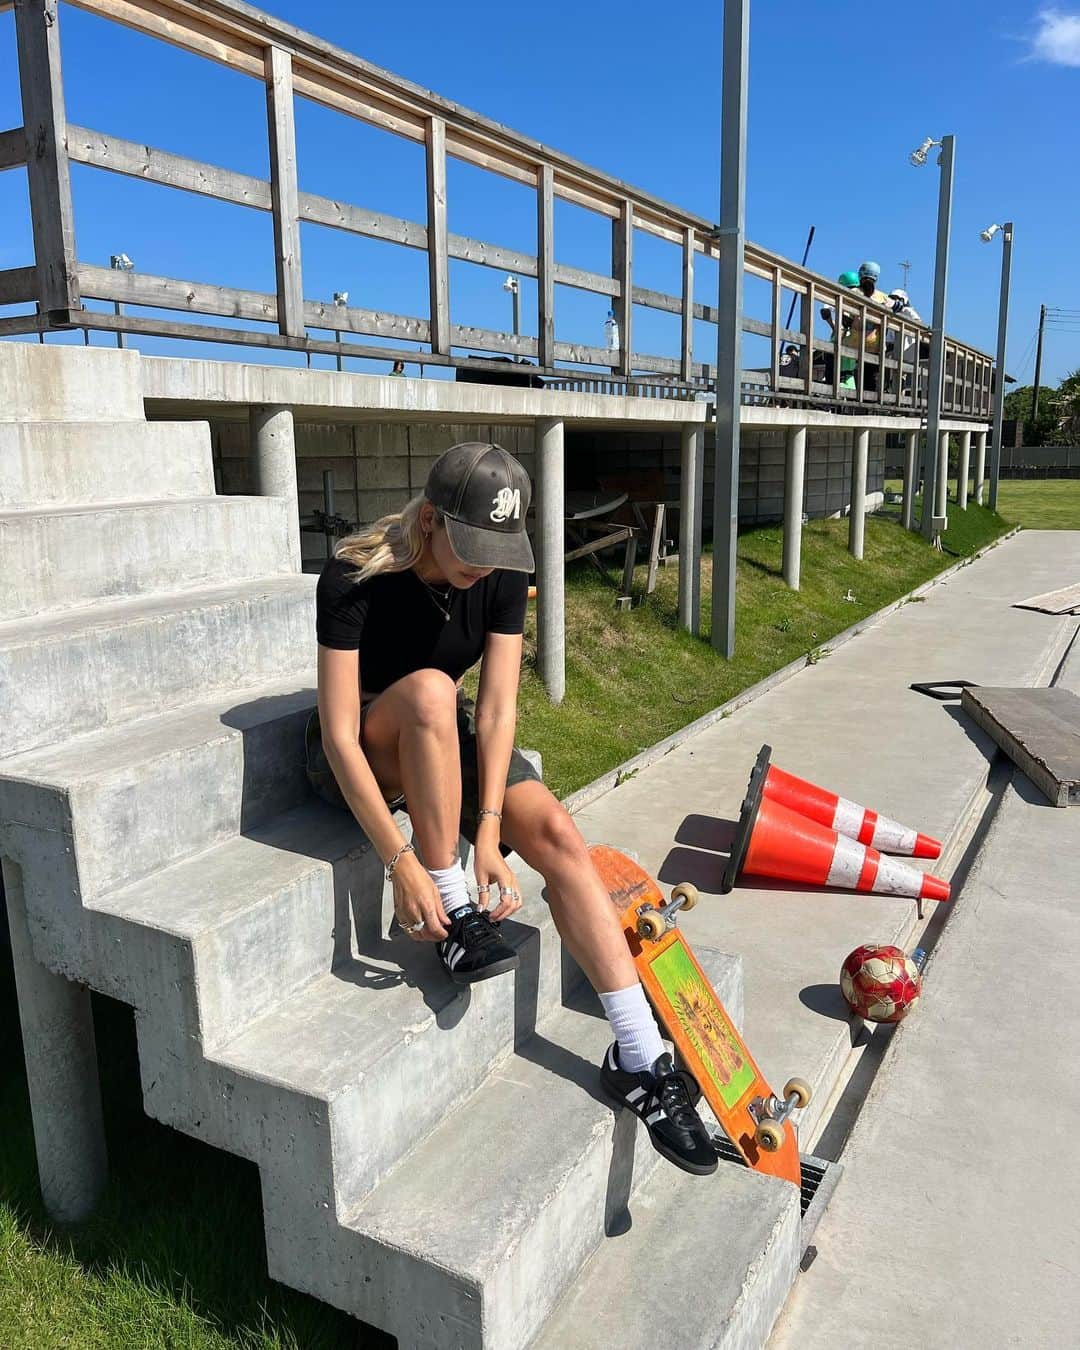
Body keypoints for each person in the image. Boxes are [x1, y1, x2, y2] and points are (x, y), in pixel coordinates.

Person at [307, 441, 716, 1176]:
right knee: (432, 689)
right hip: (367, 746)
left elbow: (495, 711)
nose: (484, 564)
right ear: (429, 520)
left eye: (498, 548)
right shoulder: (352, 573)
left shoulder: (499, 570)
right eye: (471, 546)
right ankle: (457, 915)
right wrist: (401, 864)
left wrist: (491, 831)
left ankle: (639, 1056)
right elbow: (337, 736)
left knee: (557, 832)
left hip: (444, 740)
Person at [885, 288, 922, 394]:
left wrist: (906, 326)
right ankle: (893, 395)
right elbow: (889, 339)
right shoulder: (892, 316)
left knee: (901, 378)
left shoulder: (908, 311)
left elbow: (918, 322)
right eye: (892, 299)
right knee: (897, 378)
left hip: (907, 352)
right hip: (896, 352)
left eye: (896, 299)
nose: (893, 301)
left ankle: (898, 399)